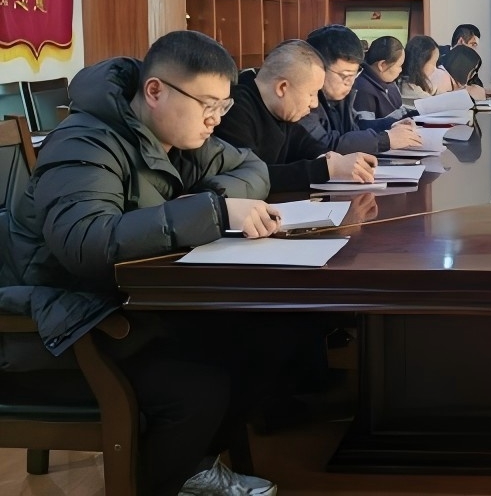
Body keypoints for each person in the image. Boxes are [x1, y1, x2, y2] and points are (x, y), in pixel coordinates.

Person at [0, 30, 281, 496]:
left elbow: (253, 168)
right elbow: (84, 242)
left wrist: (207, 203)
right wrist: (211, 213)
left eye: (223, 106)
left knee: (265, 339)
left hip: (122, 305)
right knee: (202, 387)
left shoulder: (177, 136)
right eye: (207, 104)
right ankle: (161, 481)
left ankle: (193, 467)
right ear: (154, 91)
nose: (215, 119)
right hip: (60, 327)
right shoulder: (83, 143)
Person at [214, 39, 376, 193]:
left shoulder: (283, 111)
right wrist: (326, 168)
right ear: (282, 87)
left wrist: (335, 160)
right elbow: (248, 178)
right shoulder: (234, 110)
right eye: (311, 94)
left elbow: (307, 146)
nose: (314, 104)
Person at [301, 25, 422, 153]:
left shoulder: (340, 97)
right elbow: (325, 145)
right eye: (345, 75)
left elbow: (357, 128)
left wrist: (392, 125)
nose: (350, 82)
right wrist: (385, 139)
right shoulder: (304, 101)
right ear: (318, 68)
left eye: (355, 74)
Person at [354, 35, 408, 118]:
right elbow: (365, 123)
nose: (400, 70)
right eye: (399, 65)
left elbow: (401, 112)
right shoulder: (363, 90)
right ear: (382, 65)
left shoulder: (389, 83)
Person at [399, 34, 442, 104]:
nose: (435, 68)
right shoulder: (415, 94)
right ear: (421, 62)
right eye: (433, 63)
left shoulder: (402, 82)